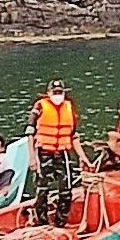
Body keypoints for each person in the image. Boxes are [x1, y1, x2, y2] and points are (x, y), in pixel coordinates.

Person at [30, 79, 90, 226]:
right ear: (49, 93)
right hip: (44, 151)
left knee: (66, 188)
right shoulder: (40, 106)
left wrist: (83, 157)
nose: (57, 95)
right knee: (42, 189)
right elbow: (30, 134)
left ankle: (60, 222)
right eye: (54, 92)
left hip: (62, 152)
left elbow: (74, 136)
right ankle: (42, 222)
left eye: (60, 92)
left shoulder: (69, 108)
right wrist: (32, 158)